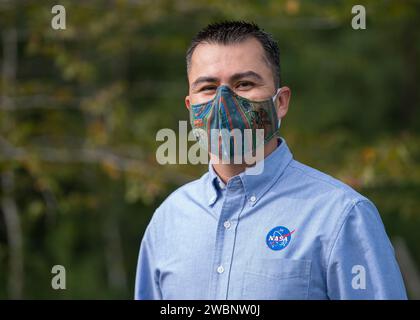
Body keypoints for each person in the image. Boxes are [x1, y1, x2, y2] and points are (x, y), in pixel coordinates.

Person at [135, 21, 407, 300]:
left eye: (244, 84)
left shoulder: (341, 216)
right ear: (191, 107)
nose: (224, 101)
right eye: (208, 87)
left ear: (281, 102)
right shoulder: (168, 221)